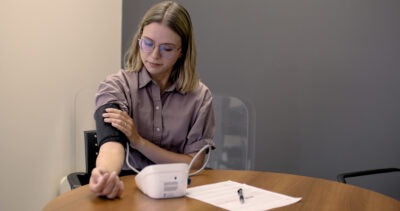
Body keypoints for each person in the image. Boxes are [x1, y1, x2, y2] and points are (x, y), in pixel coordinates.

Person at [89, 1, 215, 199]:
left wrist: (139, 142)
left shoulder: (200, 97)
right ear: (139, 39)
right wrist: (106, 175)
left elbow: (194, 163)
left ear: (181, 51)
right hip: (129, 190)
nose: (154, 55)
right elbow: (111, 143)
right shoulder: (115, 87)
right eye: (148, 43)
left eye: (167, 48)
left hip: (181, 193)